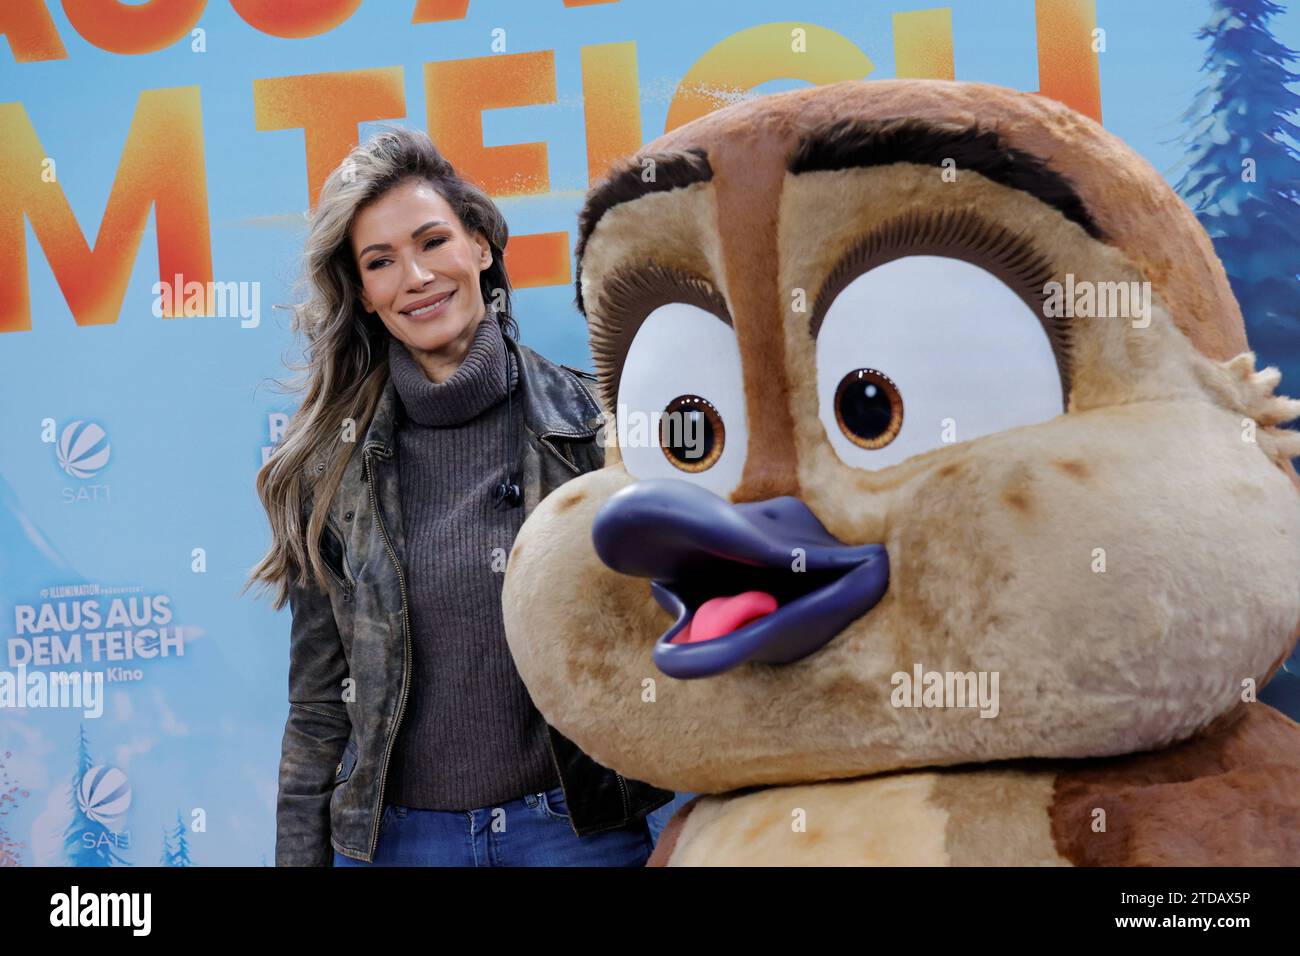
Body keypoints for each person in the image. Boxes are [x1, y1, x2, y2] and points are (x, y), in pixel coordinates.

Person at [245, 126, 674, 866]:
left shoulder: (598, 431)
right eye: (381, 262)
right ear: (366, 296)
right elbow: (320, 709)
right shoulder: (330, 470)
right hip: (402, 844)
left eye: (432, 241)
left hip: (575, 835)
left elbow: (671, 642)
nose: (415, 276)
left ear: (480, 245)